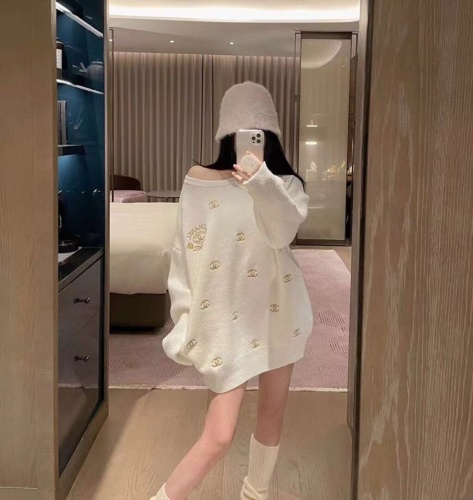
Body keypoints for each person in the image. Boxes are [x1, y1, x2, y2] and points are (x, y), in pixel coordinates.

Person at [151, 81, 314, 500]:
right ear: (227, 134)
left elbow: (280, 233)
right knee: (219, 434)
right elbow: (184, 253)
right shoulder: (199, 181)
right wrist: (185, 316)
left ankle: (255, 495)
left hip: (279, 310)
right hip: (225, 317)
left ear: (270, 135)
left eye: (258, 132)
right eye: (241, 131)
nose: (250, 139)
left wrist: (261, 182)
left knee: (272, 416)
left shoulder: (285, 185)